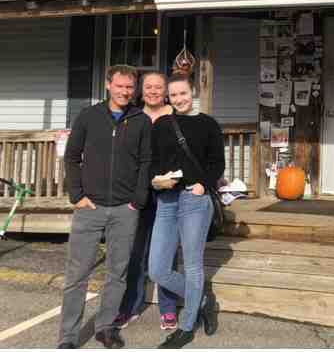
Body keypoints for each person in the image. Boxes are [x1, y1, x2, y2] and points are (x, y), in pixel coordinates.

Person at [58, 65, 152, 349]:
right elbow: (72, 157)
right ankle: (68, 336)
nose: (125, 91)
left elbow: (146, 162)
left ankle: (106, 327)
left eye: (129, 87)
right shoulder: (88, 116)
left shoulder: (141, 120)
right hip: (90, 207)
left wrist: (138, 200)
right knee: (77, 275)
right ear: (108, 85)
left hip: (125, 209)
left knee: (117, 273)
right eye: (120, 86)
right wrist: (77, 195)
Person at [148, 73, 225, 349]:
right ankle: (203, 300)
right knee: (157, 269)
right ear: (168, 98)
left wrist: (204, 185)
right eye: (174, 95)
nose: (179, 99)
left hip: (194, 200)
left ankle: (186, 327)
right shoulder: (161, 125)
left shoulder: (208, 124)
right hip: (166, 201)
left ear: (192, 92)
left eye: (183, 93)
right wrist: (157, 180)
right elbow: (153, 162)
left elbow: (217, 163)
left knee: (192, 265)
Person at [113, 72, 179, 331]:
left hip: (169, 191)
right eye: (148, 87)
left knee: (167, 251)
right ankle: (130, 306)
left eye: (158, 87)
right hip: (138, 192)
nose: (153, 91)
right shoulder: (132, 116)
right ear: (142, 90)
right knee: (136, 251)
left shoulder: (176, 116)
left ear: (166, 91)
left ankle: (168, 308)